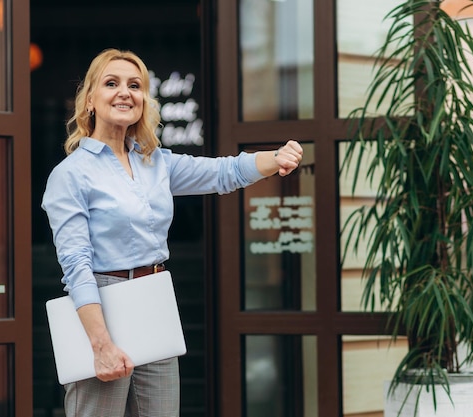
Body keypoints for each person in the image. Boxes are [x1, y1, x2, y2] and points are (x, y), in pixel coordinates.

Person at [41, 48, 303, 417]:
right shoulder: (70, 175)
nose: (125, 92)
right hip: (102, 303)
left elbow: (223, 173)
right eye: (111, 83)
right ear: (89, 102)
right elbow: (76, 264)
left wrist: (274, 159)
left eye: (135, 85)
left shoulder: (155, 163)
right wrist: (100, 343)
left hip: (154, 301)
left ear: (144, 101)